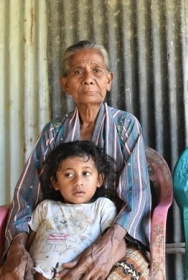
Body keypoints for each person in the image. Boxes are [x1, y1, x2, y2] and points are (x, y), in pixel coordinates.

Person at [0, 40, 152, 280]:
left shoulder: (125, 125)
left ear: (108, 80)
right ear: (66, 84)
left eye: (97, 71)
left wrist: (107, 244)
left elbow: (138, 194)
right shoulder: (53, 132)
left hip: (114, 235)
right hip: (57, 236)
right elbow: (27, 194)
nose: (88, 78)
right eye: (78, 71)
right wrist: (17, 247)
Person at [26, 140, 126, 280]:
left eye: (86, 173)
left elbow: (118, 245)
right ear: (55, 182)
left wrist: (107, 264)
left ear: (99, 179)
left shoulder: (102, 207)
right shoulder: (45, 207)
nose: (78, 181)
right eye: (69, 175)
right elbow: (29, 243)